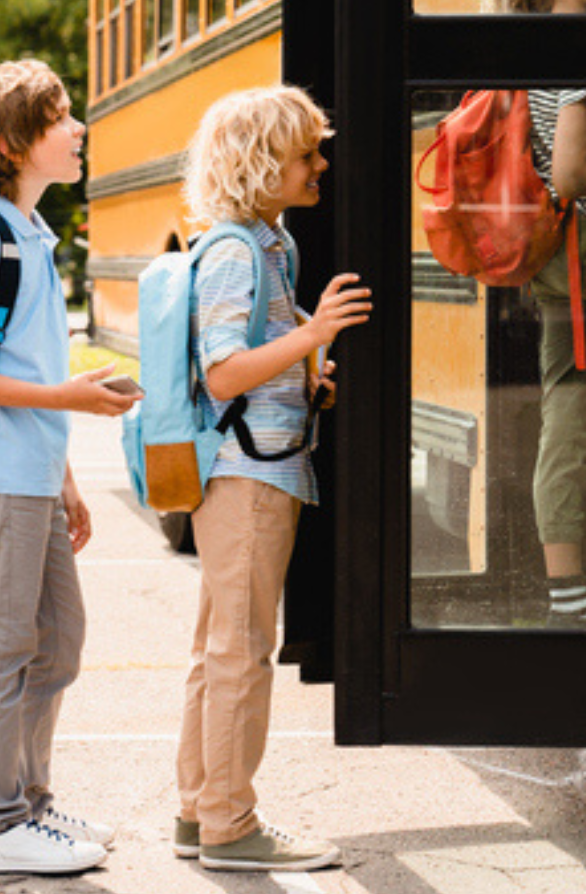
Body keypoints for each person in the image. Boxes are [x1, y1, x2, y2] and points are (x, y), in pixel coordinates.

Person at [0, 60, 141, 876]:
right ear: (14, 144)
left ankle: (30, 807)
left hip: (35, 476)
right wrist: (65, 399)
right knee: (6, 648)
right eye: (60, 118)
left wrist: (68, 476)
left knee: (58, 647)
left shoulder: (29, 235)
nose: (78, 128)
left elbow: (23, 366)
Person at [172, 86, 370, 871]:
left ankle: (198, 812)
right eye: (306, 155)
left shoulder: (270, 244)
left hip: (256, 466)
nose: (321, 165)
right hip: (247, 476)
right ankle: (230, 825)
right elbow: (222, 374)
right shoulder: (233, 252)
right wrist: (315, 335)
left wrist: (309, 375)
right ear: (260, 164)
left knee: (218, 648)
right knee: (240, 653)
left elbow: (256, 364)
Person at [479, 0, 586, 626]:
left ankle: (568, 578)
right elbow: (570, 174)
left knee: (572, 408)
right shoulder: (579, 50)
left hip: (564, 258)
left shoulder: (542, 41)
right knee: (574, 414)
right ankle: (566, 587)